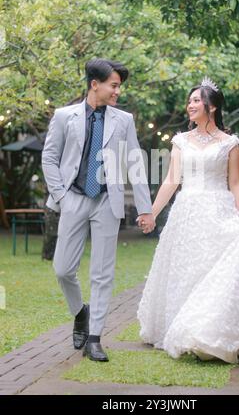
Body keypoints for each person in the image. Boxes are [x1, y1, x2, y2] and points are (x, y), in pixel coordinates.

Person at [137, 77, 239, 364]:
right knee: (186, 270)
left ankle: (208, 331)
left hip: (217, 209)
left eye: (196, 100)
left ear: (211, 107)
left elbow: (235, 183)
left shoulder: (230, 143)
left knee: (214, 270)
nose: (190, 105)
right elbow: (172, 180)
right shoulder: (180, 141)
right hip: (186, 213)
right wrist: (152, 212)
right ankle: (179, 327)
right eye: (189, 101)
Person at [42, 58, 155, 362]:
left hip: (107, 200)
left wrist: (145, 208)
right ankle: (81, 312)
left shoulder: (124, 120)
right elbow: (49, 159)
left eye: (119, 86)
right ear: (95, 84)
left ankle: (94, 338)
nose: (118, 91)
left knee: (102, 274)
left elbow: (135, 163)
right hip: (74, 198)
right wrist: (62, 197)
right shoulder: (64, 116)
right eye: (113, 85)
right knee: (63, 269)